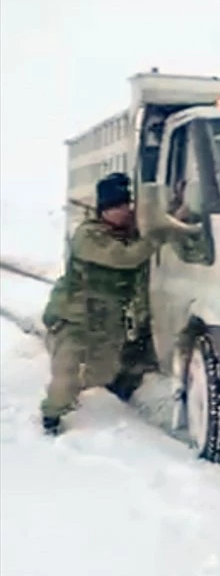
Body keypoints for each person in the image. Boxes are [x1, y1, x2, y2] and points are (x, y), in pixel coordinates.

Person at [40, 173, 197, 435]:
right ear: (104, 210)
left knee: (103, 372)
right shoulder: (88, 236)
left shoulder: (126, 231)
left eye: (126, 205)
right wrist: (158, 237)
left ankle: (77, 395)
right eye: (117, 207)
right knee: (66, 375)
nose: (125, 211)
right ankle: (51, 418)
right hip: (74, 317)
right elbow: (125, 258)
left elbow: (156, 223)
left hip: (107, 319)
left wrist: (175, 210)